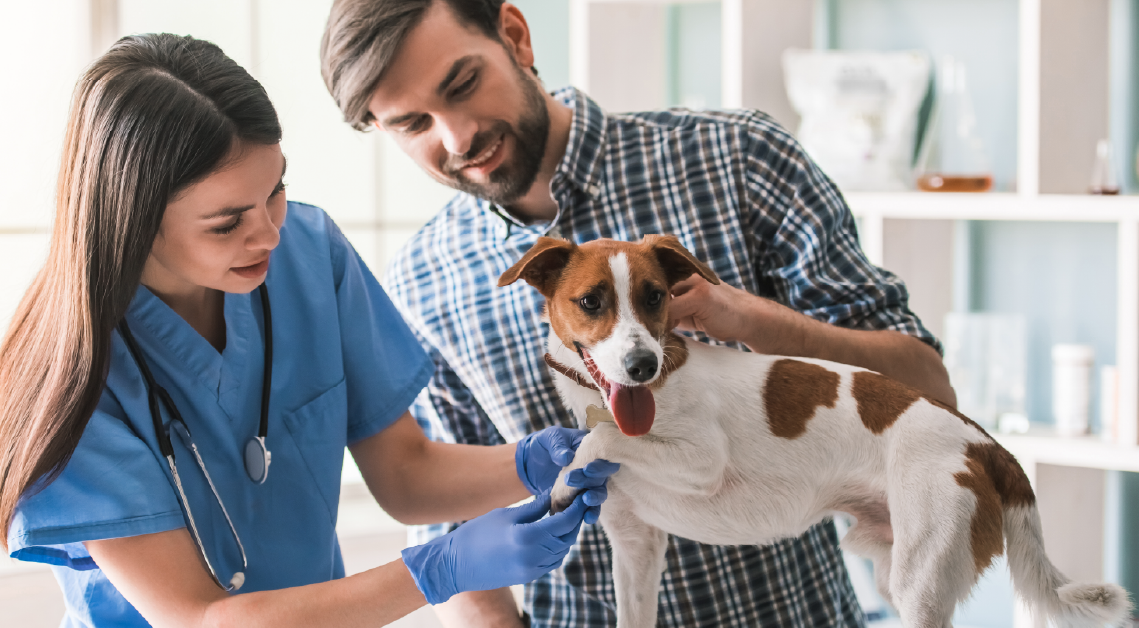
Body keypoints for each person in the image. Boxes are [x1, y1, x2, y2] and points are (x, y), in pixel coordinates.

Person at [318, 1, 958, 627]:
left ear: (514, 35)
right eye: (411, 124)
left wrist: (749, 318)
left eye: (463, 84)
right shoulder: (424, 280)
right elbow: (449, 514)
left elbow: (928, 387)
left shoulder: (737, 160)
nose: (457, 137)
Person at [0, 33, 619, 628]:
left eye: (276, 190)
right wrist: (439, 569)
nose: (268, 233)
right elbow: (201, 619)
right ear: (134, 222)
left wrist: (538, 461)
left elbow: (406, 475)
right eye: (227, 222)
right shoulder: (71, 368)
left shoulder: (310, 254)